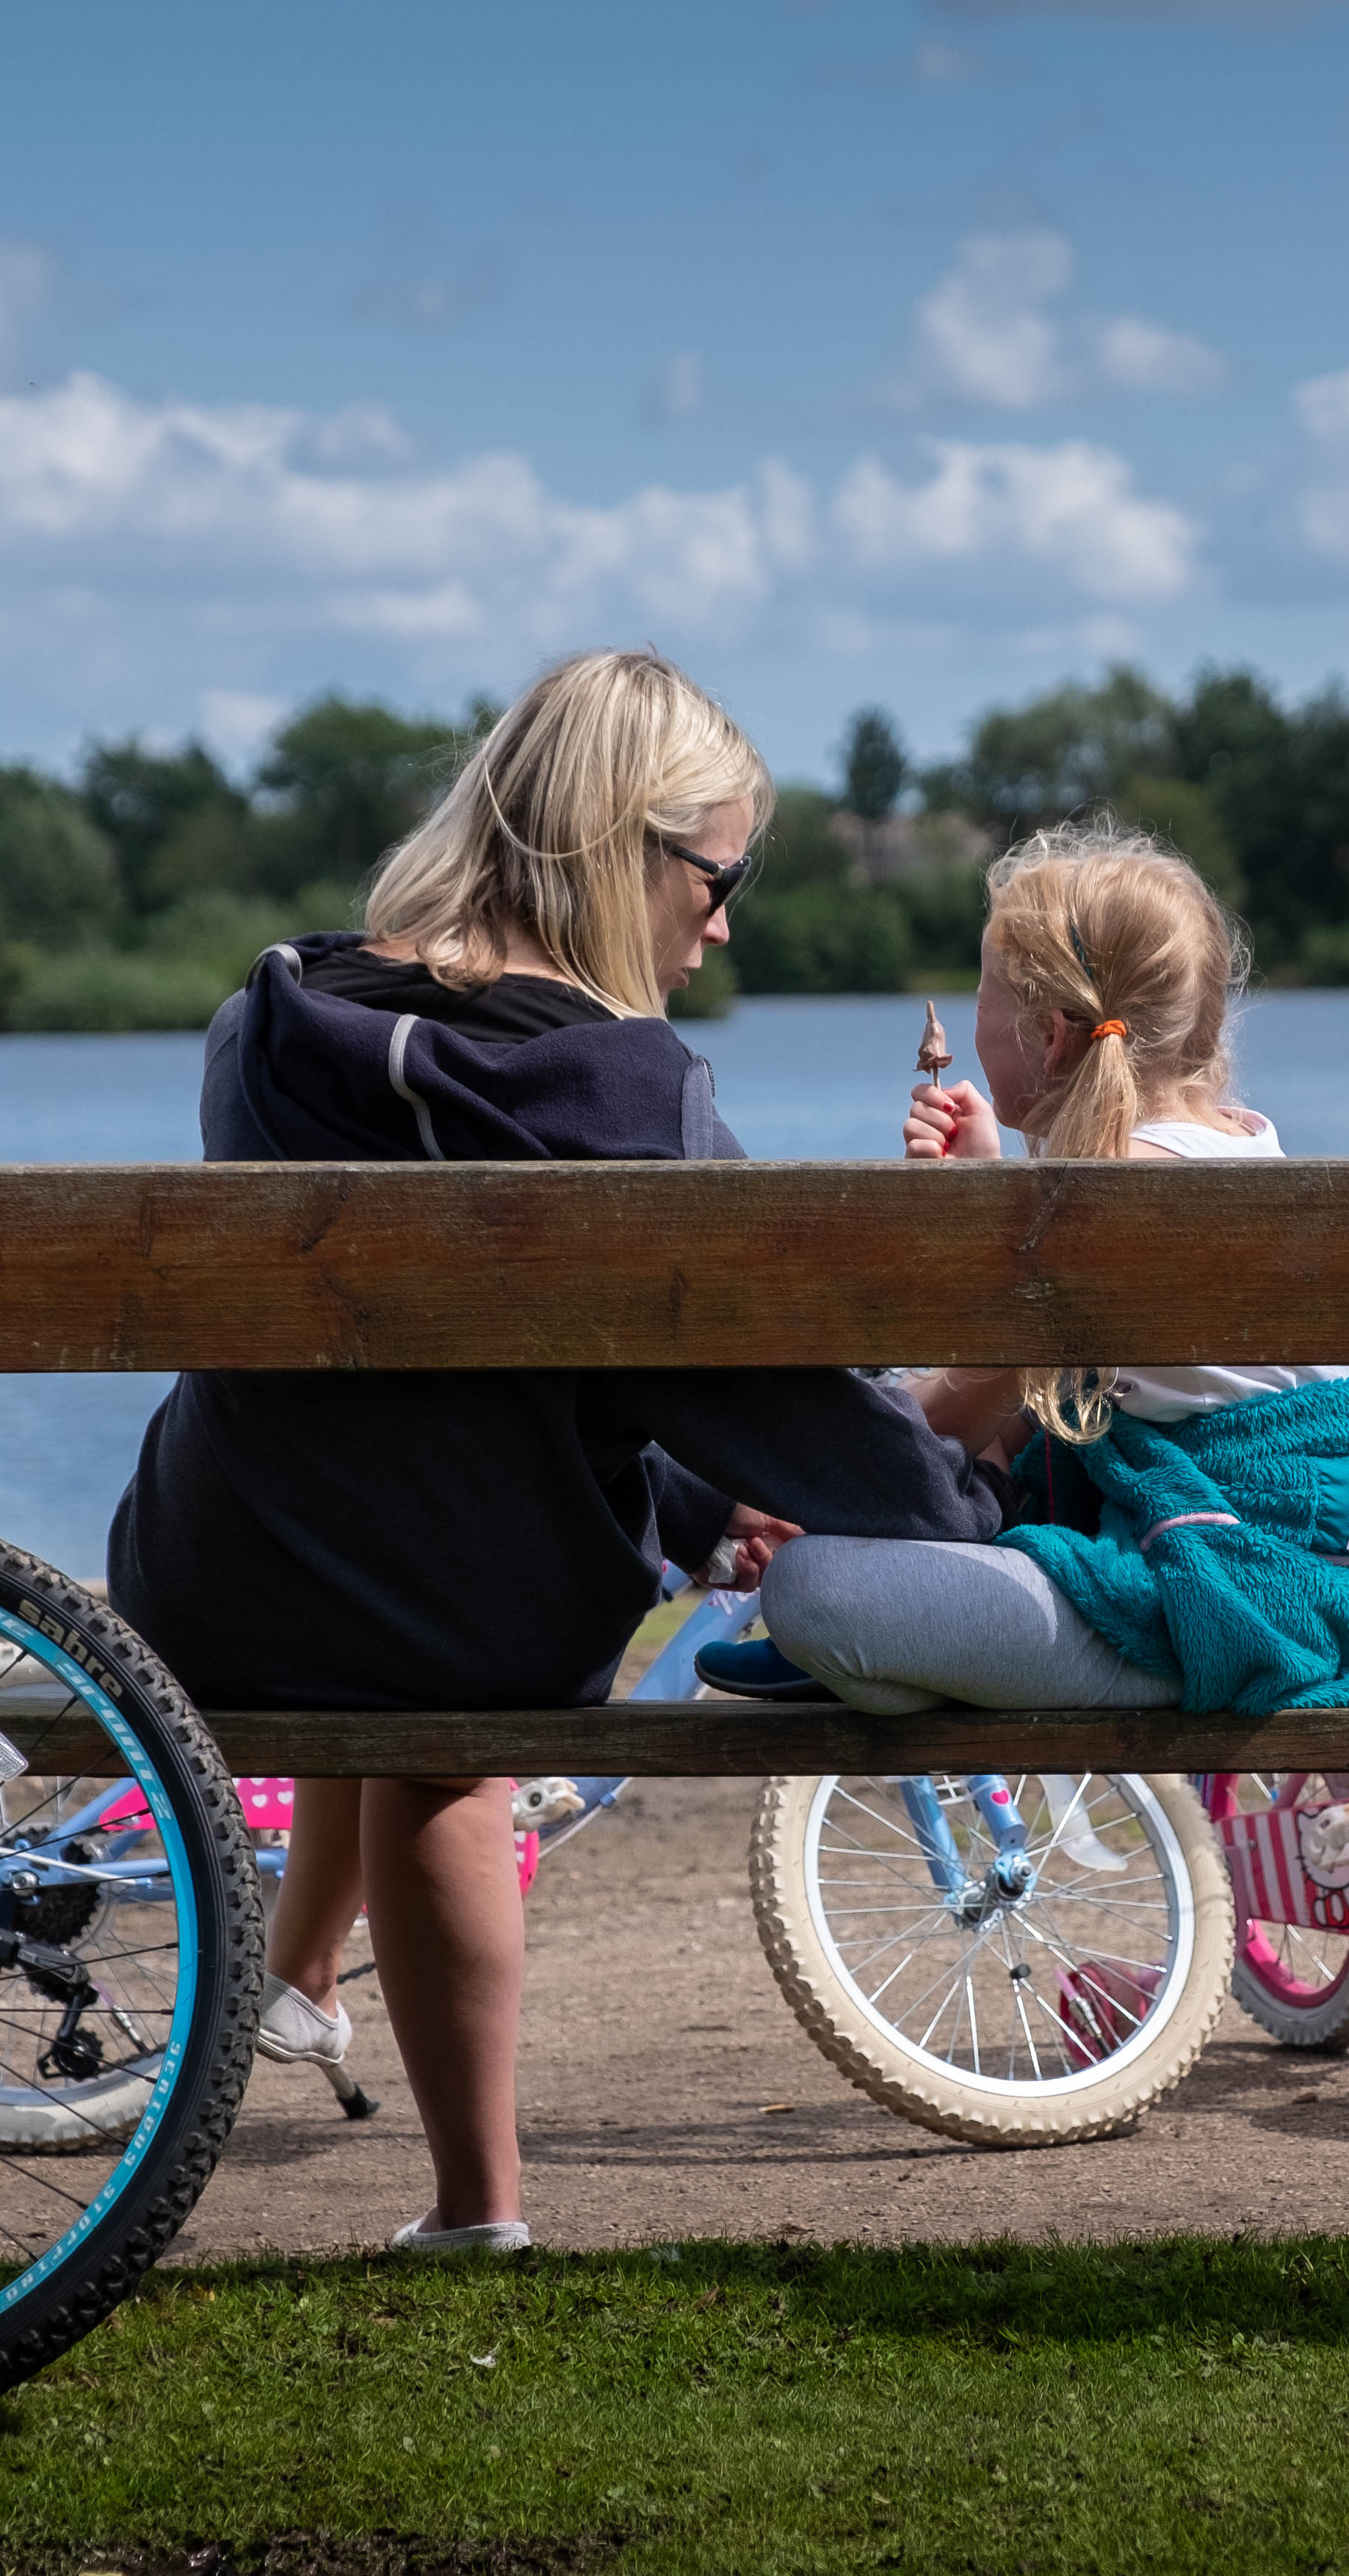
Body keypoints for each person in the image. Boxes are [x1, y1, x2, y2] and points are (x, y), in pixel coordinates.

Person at [106, 649, 1013, 2254]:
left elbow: (426, 1394)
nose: (724, 921)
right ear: (624, 848)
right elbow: (765, 1380)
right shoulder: (620, 1085)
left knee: (389, 1548)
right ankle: (478, 2207)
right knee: (447, 1734)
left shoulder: (269, 1012)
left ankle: (335, 2031)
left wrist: (695, 1491)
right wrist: (966, 1505)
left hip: (207, 1567)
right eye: (718, 875)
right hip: (453, 1613)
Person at [705, 816, 1349, 1717]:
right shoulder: (1236, 1152)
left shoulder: (1097, 1215)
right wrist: (1000, 1204)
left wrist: (790, 1490)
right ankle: (923, 1656)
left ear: (1051, 1035)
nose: (963, 1028)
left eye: (978, 1001)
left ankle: (906, 1661)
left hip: (1233, 1604)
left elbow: (943, 1423)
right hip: (1342, 1582)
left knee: (813, 1588)